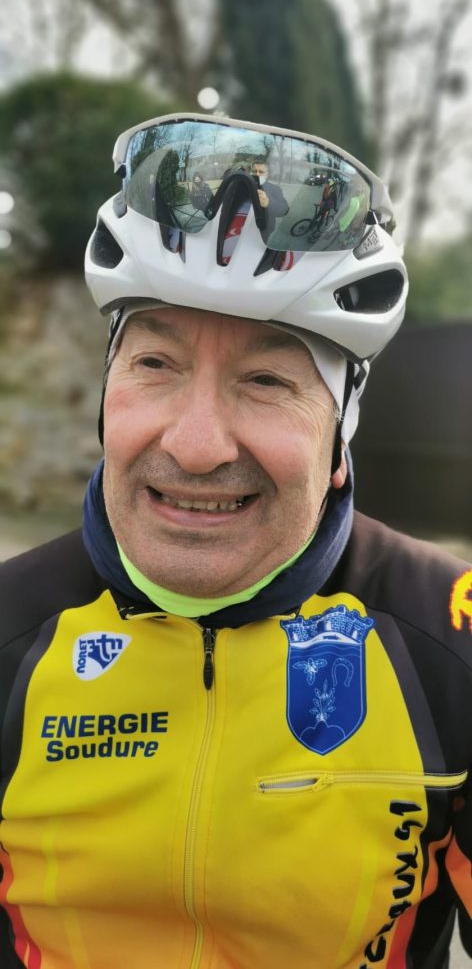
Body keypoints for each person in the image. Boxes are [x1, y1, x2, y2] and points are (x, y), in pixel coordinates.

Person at [1, 111, 471, 969]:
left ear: (340, 435)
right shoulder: (8, 636)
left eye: (266, 379)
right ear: (106, 394)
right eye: (155, 364)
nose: (196, 445)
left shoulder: (452, 641)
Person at [250, 158, 289, 238]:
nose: (257, 174)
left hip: (264, 229)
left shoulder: (275, 189)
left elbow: (284, 209)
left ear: (267, 174)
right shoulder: (245, 185)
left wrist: (268, 203)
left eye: (261, 172)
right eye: (254, 171)